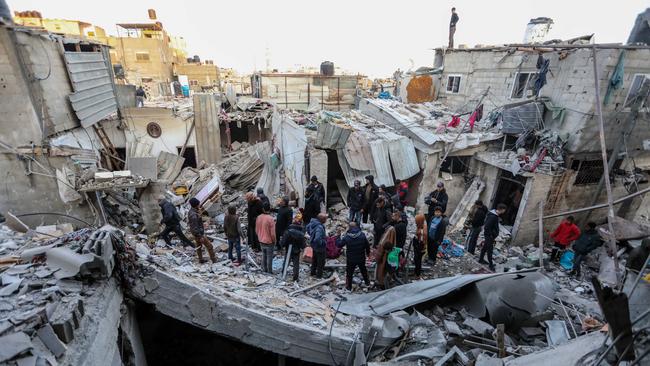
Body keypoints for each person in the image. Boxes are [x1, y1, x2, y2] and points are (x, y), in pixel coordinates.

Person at [336, 222, 371, 291]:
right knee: (363, 270)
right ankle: (367, 282)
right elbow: (367, 246)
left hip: (351, 259)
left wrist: (338, 236)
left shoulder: (347, 237)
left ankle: (349, 287)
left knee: (349, 273)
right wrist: (368, 253)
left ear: (349, 228)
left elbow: (339, 245)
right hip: (361, 257)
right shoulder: (362, 235)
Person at [187, 198, 216, 263]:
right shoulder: (194, 215)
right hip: (198, 234)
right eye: (198, 204)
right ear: (196, 205)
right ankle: (214, 259)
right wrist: (200, 236)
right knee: (209, 246)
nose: (200, 205)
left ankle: (201, 259)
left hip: (196, 233)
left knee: (199, 246)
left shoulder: (192, 211)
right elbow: (195, 227)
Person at [479, 203, 507, 271]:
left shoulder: (495, 215)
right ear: (502, 209)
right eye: (504, 210)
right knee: (490, 250)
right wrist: (491, 235)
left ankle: (481, 259)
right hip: (489, 236)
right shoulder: (493, 216)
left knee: (485, 247)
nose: (504, 211)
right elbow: (487, 226)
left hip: (490, 236)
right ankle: (491, 265)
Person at [280, 215, 306, 282]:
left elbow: (283, 241)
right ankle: (295, 277)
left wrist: (282, 245)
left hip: (288, 249)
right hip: (296, 250)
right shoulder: (301, 234)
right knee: (296, 264)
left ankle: (283, 273)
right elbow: (303, 245)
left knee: (286, 261)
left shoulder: (288, 231)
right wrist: (301, 247)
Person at [255, 202, 276, 274]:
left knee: (264, 255)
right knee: (269, 257)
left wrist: (259, 237)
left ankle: (264, 269)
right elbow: (272, 233)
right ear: (269, 209)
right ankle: (269, 271)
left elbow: (256, 230)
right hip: (269, 241)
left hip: (261, 240)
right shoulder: (271, 219)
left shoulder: (259, 217)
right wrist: (274, 241)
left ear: (263, 209)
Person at [307, 213, 328, 278]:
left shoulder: (312, 223)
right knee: (321, 262)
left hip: (314, 246)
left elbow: (307, 228)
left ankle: (312, 273)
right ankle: (319, 276)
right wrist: (323, 242)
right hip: (320, 247)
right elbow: (317, 239)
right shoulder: (319, 227)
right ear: (322, 220)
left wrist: (311, 236)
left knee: (314, 260)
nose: (326, 220)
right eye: (325, 219)